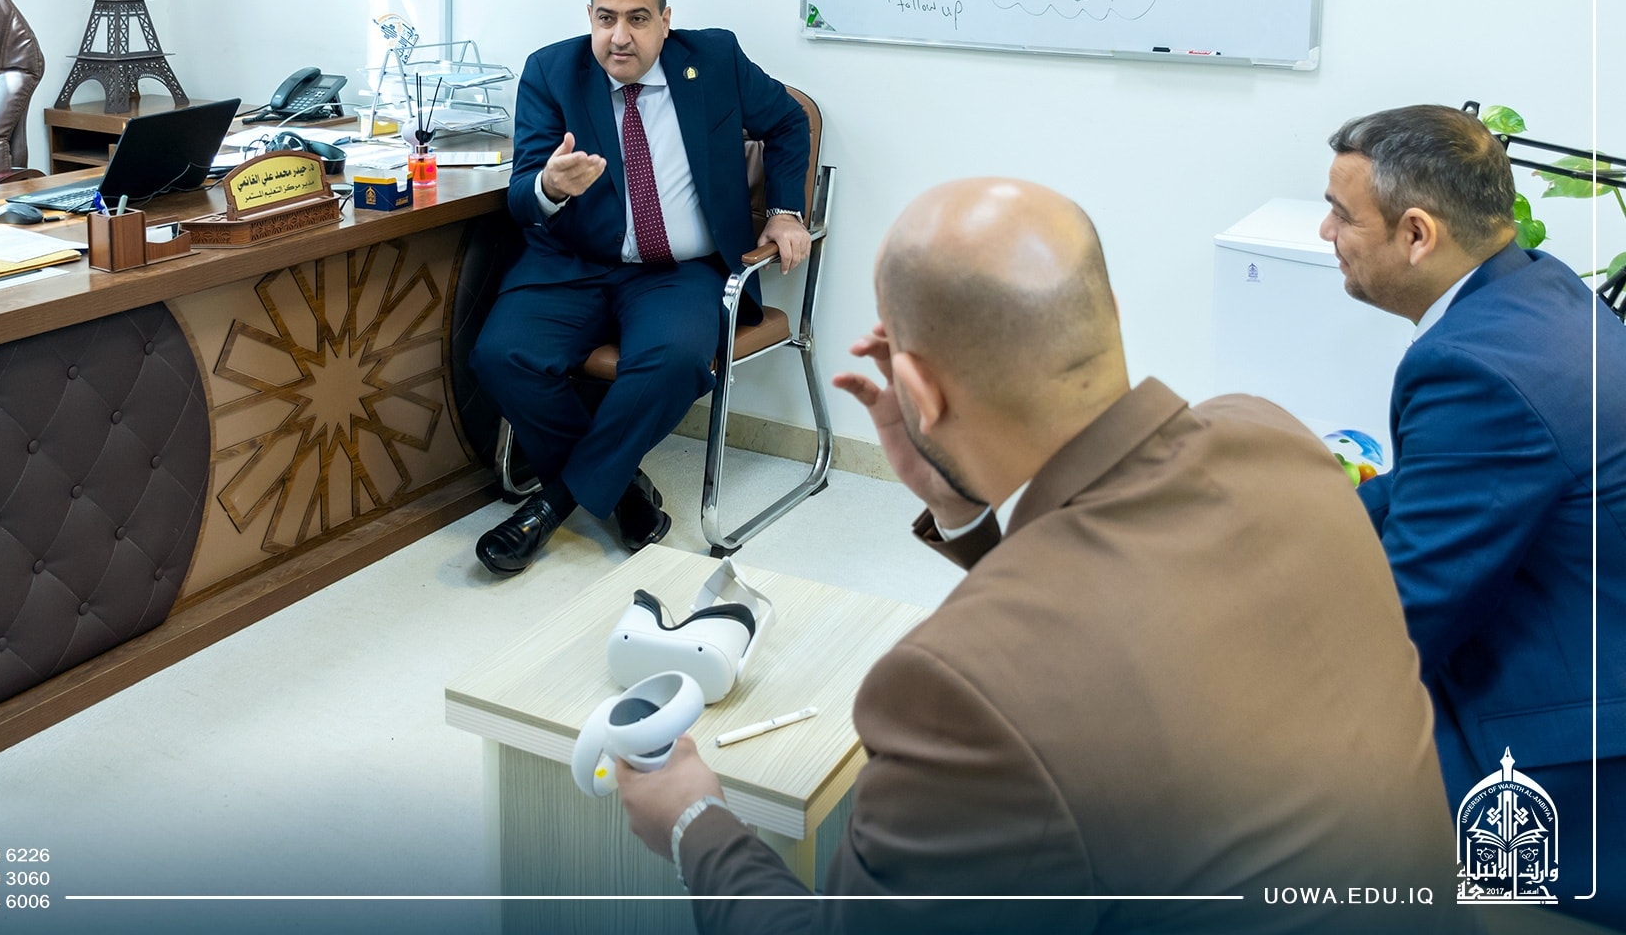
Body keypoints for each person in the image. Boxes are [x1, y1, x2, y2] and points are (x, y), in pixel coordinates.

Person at [618, 178, 1459, 934]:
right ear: (1110, 314)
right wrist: (961, 507)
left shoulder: (951, 691)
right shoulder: (1272, 435)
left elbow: (1039, 662)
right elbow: (1109, 611)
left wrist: (695, 824)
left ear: (919, 394)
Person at [1320, 104, 1626, 928]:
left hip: (1570, 761)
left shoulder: (1469, 365)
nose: (1326, 233)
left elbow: (1402, 620)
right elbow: (1441, 485)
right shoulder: (1540, 290)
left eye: (1342, 214)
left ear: (1416, 235)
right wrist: (1300, 509)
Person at [468, 0, 812, 575]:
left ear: (665, 21)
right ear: (589, 19)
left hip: (678, 272)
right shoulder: (551, 71)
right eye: (606, 19)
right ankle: (623, 489)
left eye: (637, 18)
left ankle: (550, 507)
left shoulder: (713, 59)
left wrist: (785, 211)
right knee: (501, 355)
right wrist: (549, 185)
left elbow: (787, 122)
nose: (619, 36)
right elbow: (522, 197)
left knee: (673, 362)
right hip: (572, 262)